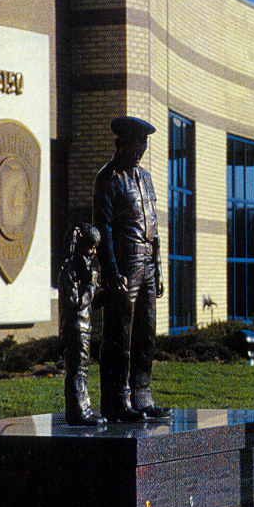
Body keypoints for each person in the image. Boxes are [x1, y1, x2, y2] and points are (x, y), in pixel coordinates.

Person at [93, 115, 170, 421]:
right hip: (125, 265)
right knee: (119, 335)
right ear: (120, 143)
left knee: (146, 333)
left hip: (148, 262)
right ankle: (116, 400)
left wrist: (160, 267)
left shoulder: (146, 178)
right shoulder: (109, 179)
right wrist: (111, 272)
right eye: (136, 145)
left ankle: (142, 396)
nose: (140, 151)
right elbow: (104, 229)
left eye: (144, 145)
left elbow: (154, 225)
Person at [59, 223, 105, 426]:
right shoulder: (69, 273)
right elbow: (77, 304)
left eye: (95, 249)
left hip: (84, 328)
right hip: (76, 329)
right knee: (77, 370)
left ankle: (82, 409)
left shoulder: (81, 274)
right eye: (90, 248)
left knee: (82, 369)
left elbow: (90, 304)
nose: (92, 254)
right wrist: (91, 285)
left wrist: (108, 293)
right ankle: (78, 411)